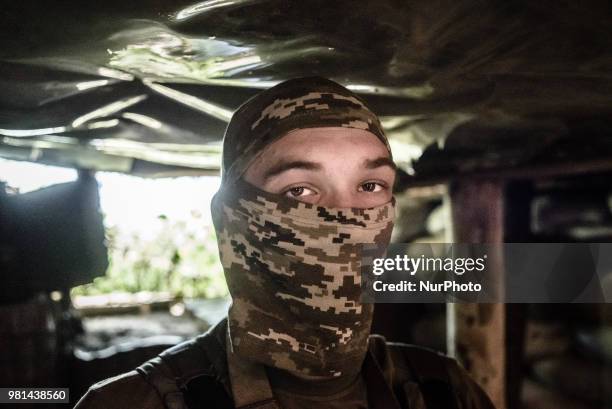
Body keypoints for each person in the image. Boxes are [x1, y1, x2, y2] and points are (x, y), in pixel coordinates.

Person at [74, 77, 495, 409]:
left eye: (370, 185)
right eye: (299, 191)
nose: (345, 217)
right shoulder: (133, 403)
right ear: (230, 220)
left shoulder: (445, 391)